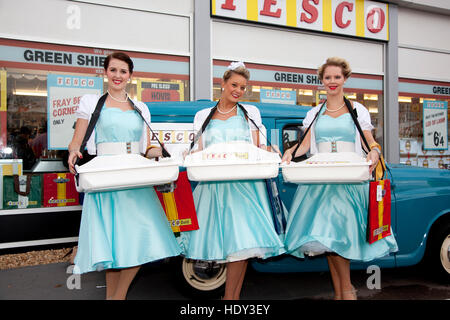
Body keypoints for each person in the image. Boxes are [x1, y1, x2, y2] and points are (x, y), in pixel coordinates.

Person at [281, 57, 398, 300]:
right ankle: (343, 292)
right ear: (321, 81)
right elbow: (304, 145)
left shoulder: (357, 110)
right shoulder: (314, 113)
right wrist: (291, 151)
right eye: (328, 77)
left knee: (338, 240)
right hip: (320, 182)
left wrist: (375, 151)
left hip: (348, 181)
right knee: (329, 242)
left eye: (337, 77)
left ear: (345, 79)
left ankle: (346, 291)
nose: (332, 82)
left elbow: (369, 140)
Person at [67, 52, 181, 300]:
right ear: (105, 73)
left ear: (130, 76)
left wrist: (158, 152)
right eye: (113, 70)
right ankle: (114, 298)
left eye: (123, 71)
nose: (118, 75)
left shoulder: (140, 107)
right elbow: (77, 139)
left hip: (134, 175)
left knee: (138, 240)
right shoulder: (91, 102)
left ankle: (117, 297)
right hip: (106, 176)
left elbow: (147, 148)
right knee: (112, 243)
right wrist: (74, 152)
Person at [179, 62, 285, 300]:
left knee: (242, 244)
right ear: (223, 84)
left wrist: (272, 149)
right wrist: (189, 154)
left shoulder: (250, 113)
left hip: (245, 188)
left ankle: (231, 298)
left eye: (243, 87)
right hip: (214, 188)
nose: (238, 90)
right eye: (234, 85)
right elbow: (199, 150)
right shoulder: (203, 115)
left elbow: (259, 146)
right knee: (224, 243)